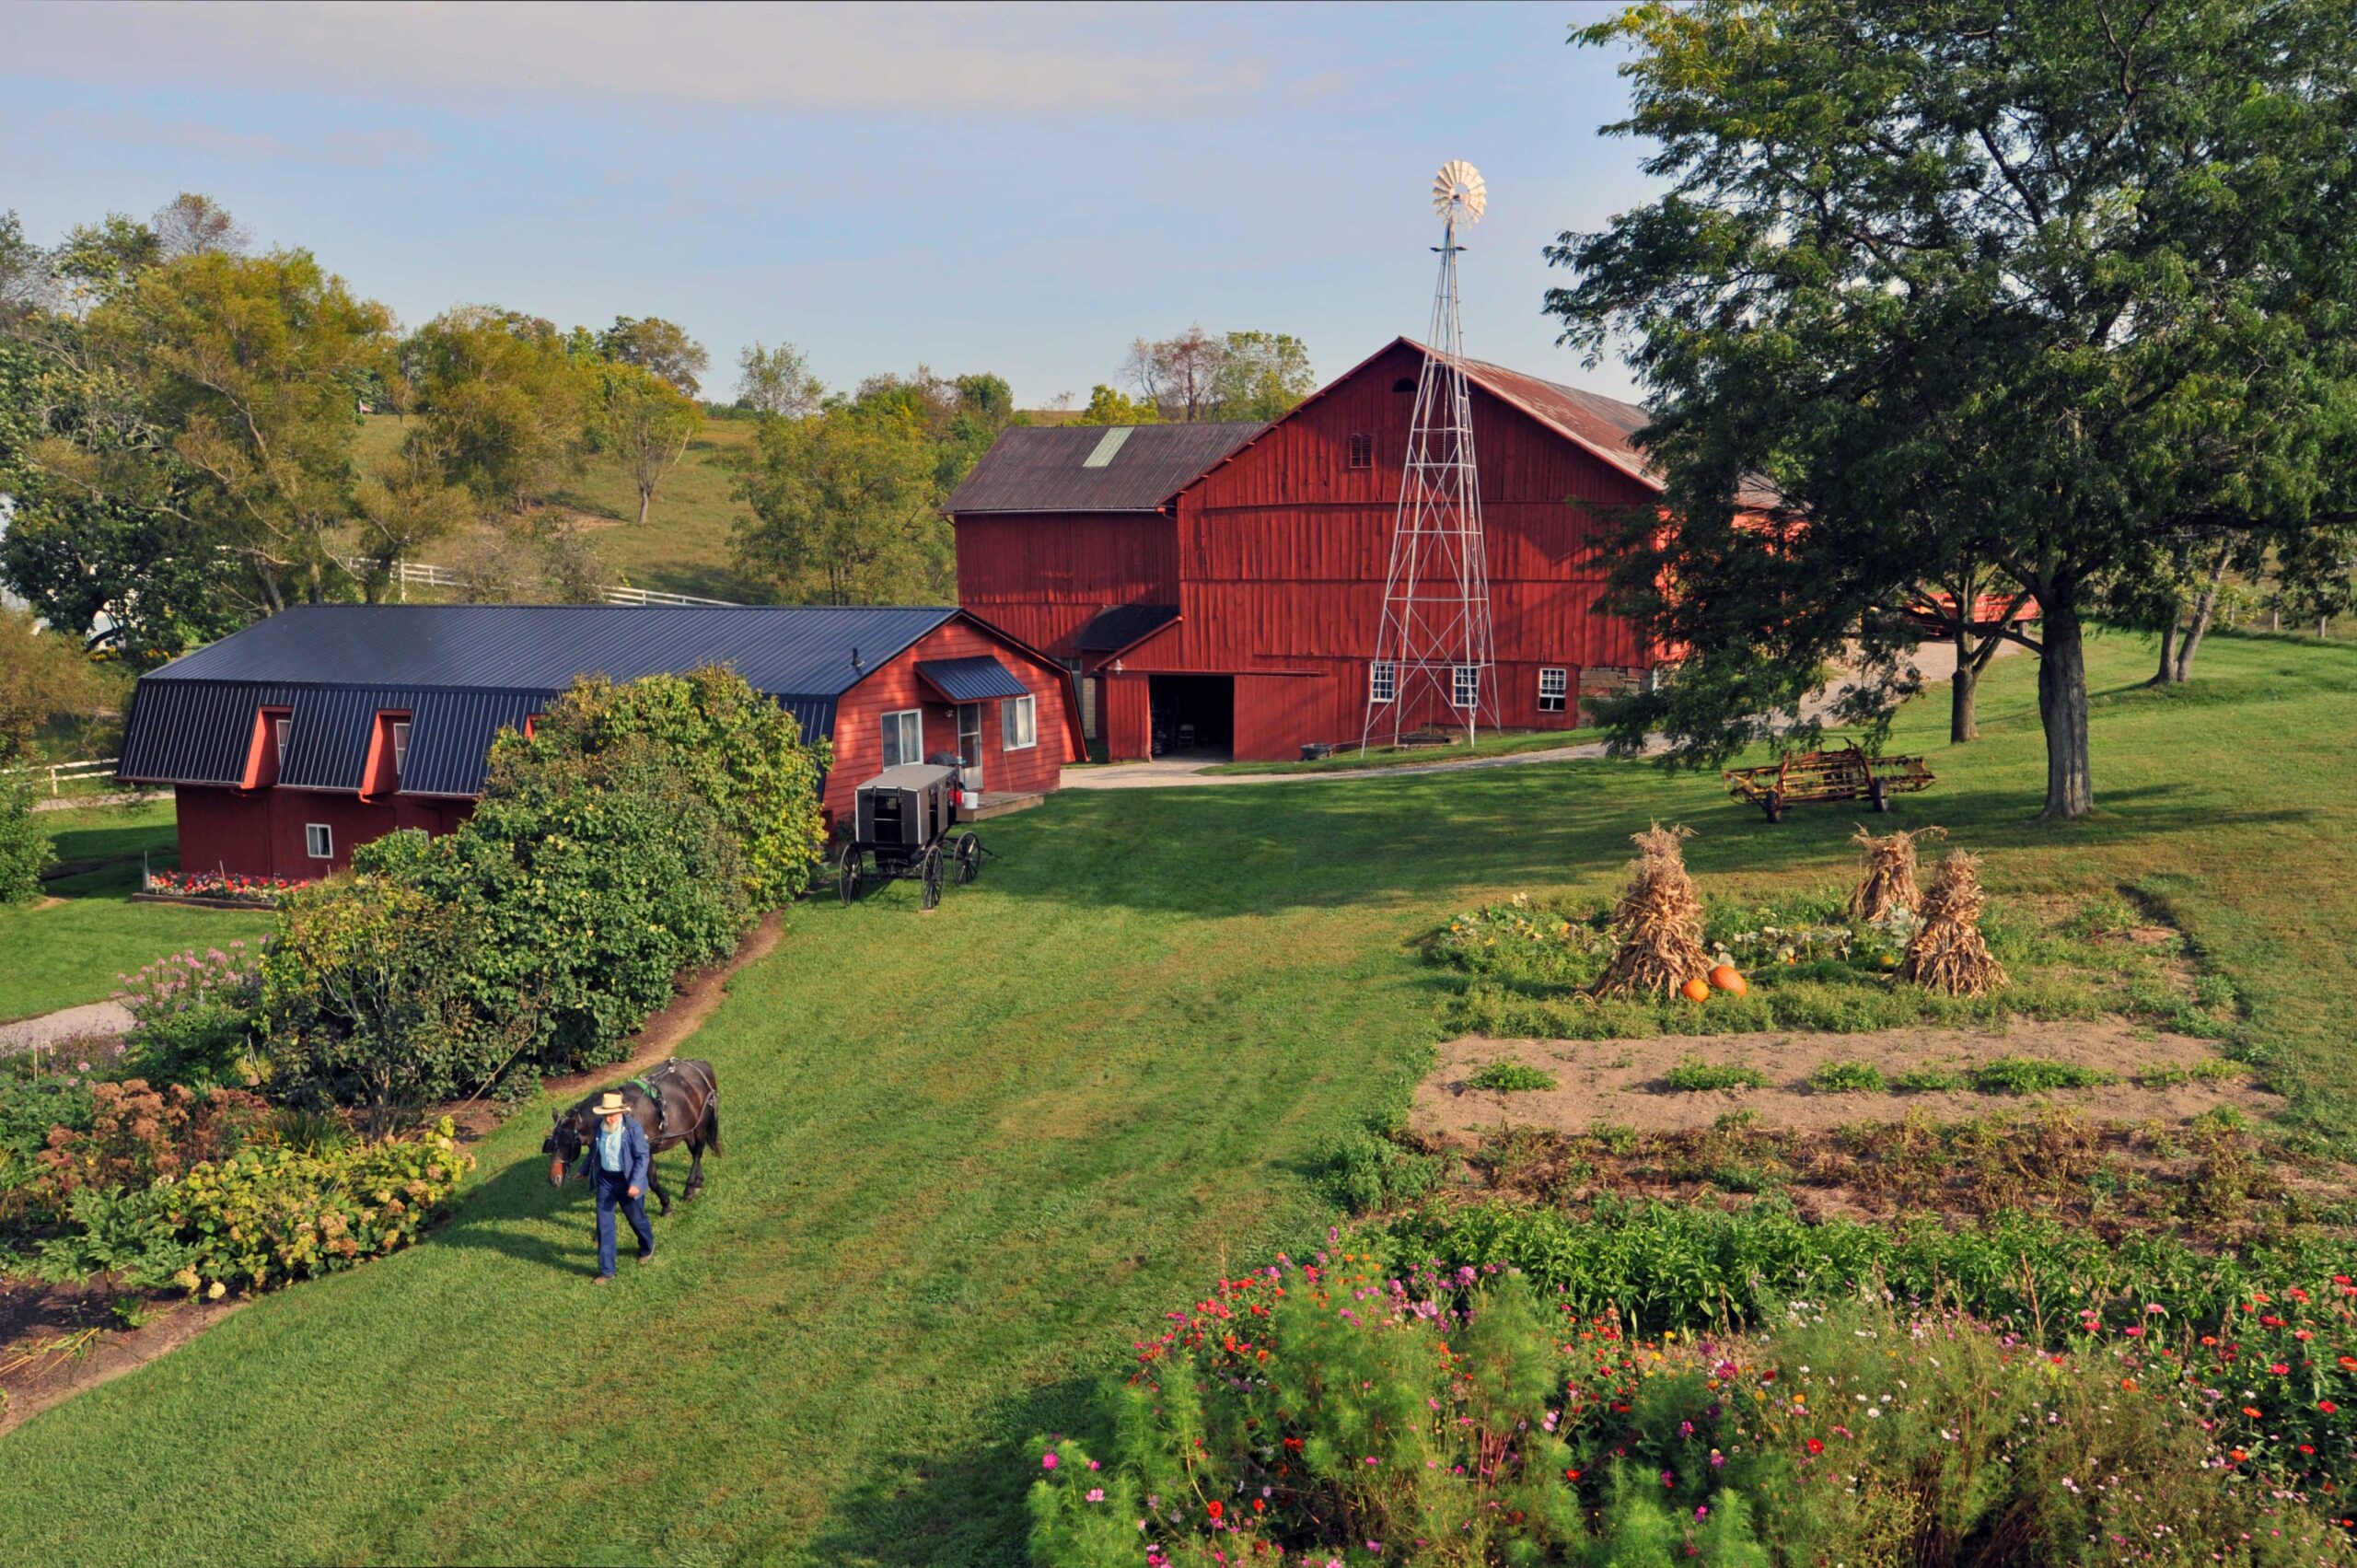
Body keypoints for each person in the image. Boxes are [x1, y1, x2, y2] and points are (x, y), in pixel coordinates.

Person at [577, 1090, 654, 1283]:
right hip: (606, 1180)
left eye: (613, 1114)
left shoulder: (632, 1129)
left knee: (637, 1220)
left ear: (621, 1112)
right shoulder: (598, 1127)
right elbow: (594, 1152)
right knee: (604, 1226)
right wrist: (584, 1170)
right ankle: (607, 1271)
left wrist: (636, 1183)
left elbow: (642, 1157)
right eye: (606, 1115)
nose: (609, 1119)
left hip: (627, 1181)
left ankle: (647, 1246)